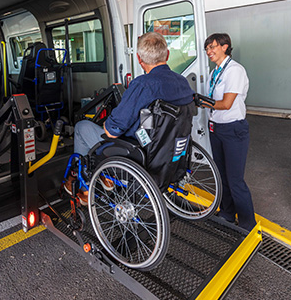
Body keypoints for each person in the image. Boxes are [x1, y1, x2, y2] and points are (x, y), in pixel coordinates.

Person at [64, 32, 195, 205]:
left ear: (140, 60)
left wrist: (107, 124)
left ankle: (87, 186)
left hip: (138, 153)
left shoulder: (142, 84)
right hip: (170, 152)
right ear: (167, 54)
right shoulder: (182, 82)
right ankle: (104, 176)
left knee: (82, 127)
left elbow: (113, 130)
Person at [204, 33, 256, 231]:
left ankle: (247, 224)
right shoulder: (215, 72)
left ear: (225, 47)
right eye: (207, 48)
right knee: (222, 176)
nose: (209, 51)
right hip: (216, 128)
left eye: (212, 47)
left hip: (233, 129)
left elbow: (226, 104)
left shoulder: (235, 71)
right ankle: (226, 214)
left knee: (235, 180)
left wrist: (201, 102)